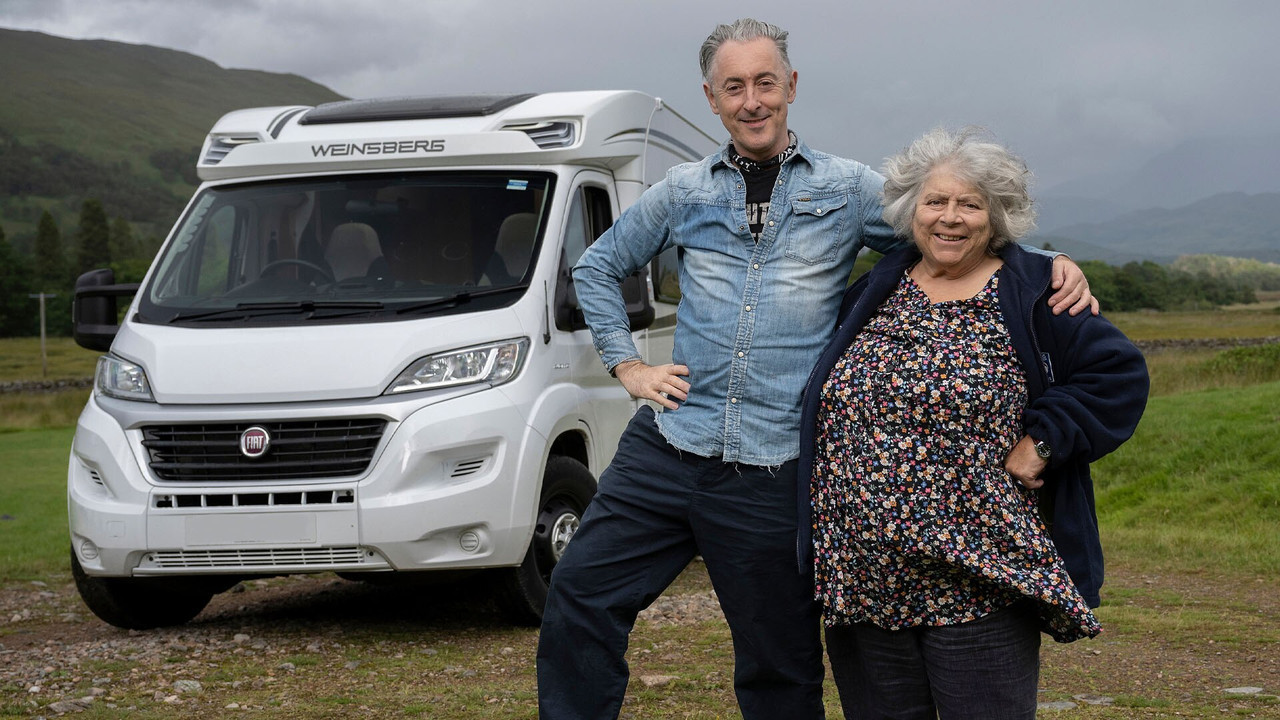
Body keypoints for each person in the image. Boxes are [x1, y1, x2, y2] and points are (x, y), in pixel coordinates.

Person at [536, 18, 1096, 720]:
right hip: (668, 446)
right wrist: (628, 366)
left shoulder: (850, 189)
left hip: (774, 469)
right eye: (733, 87)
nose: (752, 101)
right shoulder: (682, 191)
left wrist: (1044, 262)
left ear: (791, 86)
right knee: (579, 598)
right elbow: (597, 267)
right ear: (711, 98)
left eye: (765, 83)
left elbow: (948, 233)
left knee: (778, 663)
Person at [797, 128, 1149, 719]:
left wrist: (1043, 440)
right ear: (912, 211)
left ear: (998, 216)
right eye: (936, 202)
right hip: (864, 581)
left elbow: (1116, 376)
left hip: (977, 580)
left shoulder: (1036, 289)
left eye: (971, 203)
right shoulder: (875, 290)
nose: (950, 218)